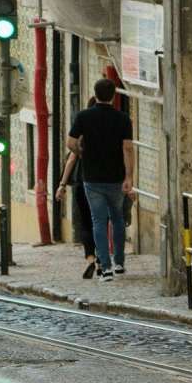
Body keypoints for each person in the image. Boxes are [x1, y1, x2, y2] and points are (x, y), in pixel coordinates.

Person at [66, 78, 134, 282]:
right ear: (113, 95)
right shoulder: (123, 118)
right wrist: (129, 177)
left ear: (95, 95)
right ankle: (119, 263)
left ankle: (105, 268)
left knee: (98, 222)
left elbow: (70, 143)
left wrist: (82, 152)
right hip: (116, 178)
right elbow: (128, 148)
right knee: (118, 219)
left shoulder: (83, 117)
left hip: (92, 178)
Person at [56, 98, 98, 279]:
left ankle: (90, 259)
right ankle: (104, 260)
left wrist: (62, 185)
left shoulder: (83, 130)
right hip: (103, 182)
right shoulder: (110, 130)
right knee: (100, 221)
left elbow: (71, 159)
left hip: (82, 182)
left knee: (85, 222)